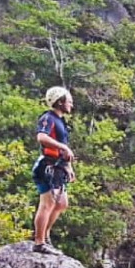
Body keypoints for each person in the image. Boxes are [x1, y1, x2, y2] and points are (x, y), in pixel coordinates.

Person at [31, 86, 76, 254]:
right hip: (47, 167)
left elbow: (63, 148)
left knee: (62, 203)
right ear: (60, 102)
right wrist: (62, 147)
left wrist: (68, 166)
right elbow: (41, 137)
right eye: (69, 101)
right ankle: (39, 242)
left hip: (58, 167)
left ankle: (45, 235)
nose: (71, 104)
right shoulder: (48, 118)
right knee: (47, 204)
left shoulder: (61, 121)